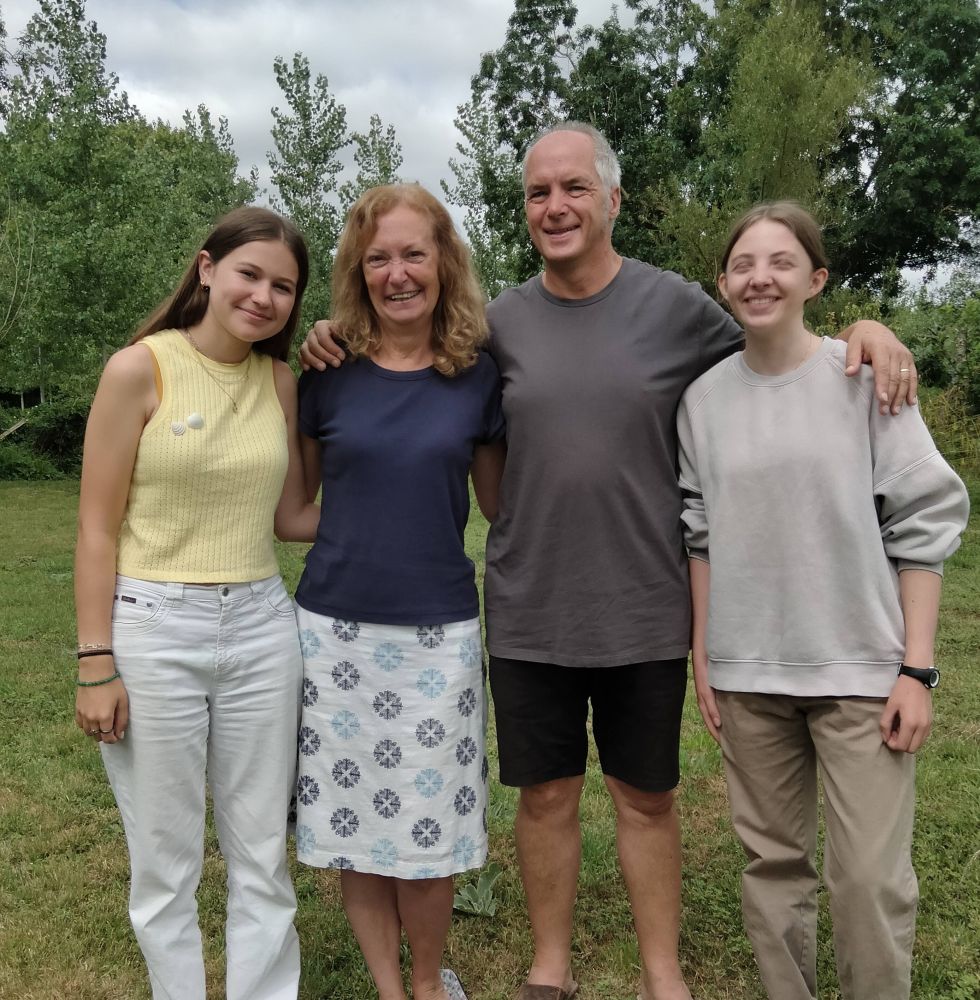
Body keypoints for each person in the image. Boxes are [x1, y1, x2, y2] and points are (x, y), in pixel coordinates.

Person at [300, 123, 917, 1000]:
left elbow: (775, 337)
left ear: (612, 199)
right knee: (545, 798)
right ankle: (550, 968)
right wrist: (328, 331)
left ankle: (662, 974)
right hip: (529, 604)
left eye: (574, 188)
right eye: (538, 193)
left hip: (645, 602)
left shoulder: (677, 308)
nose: (555, 207)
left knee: (648, 798)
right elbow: (400, 348)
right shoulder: (496, 325)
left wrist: (866, 326)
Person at [678, 202, 969, 1000]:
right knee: (773, 871)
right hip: (749, 678)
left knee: (869, 882)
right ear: (723, 283)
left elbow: (922, 526)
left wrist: (918, 669)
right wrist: (707, 659)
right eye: (742, 264)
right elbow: (699, 537)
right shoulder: (701, 401)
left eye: (779, 261)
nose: (759, 276)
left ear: (816, 279)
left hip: (861, 675)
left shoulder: (865, 377)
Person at [74, 207, 315, 1000]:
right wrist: (95, 661)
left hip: (261, 627)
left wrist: (393, 484)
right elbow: (96, 530)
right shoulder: (139, 369)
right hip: (152, 629)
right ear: (207, 269)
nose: (264, 297)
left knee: (260, 855)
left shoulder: (279, 382)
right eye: (250, 274)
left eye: (284, 286)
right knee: (164, 861)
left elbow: (291, 520)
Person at [291, 183, 505, 1000]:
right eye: (377, 258)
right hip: (334, 632)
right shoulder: (326, 372)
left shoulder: (477, 377)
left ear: (444, 262)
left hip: (436, 635)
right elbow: (297, 509)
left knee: (426, 827)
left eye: (414, 253)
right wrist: (362, 526)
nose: (397, 272)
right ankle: (389, 987)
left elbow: (498, 506)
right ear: (358, 271)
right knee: (351, 827)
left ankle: (426, 981)